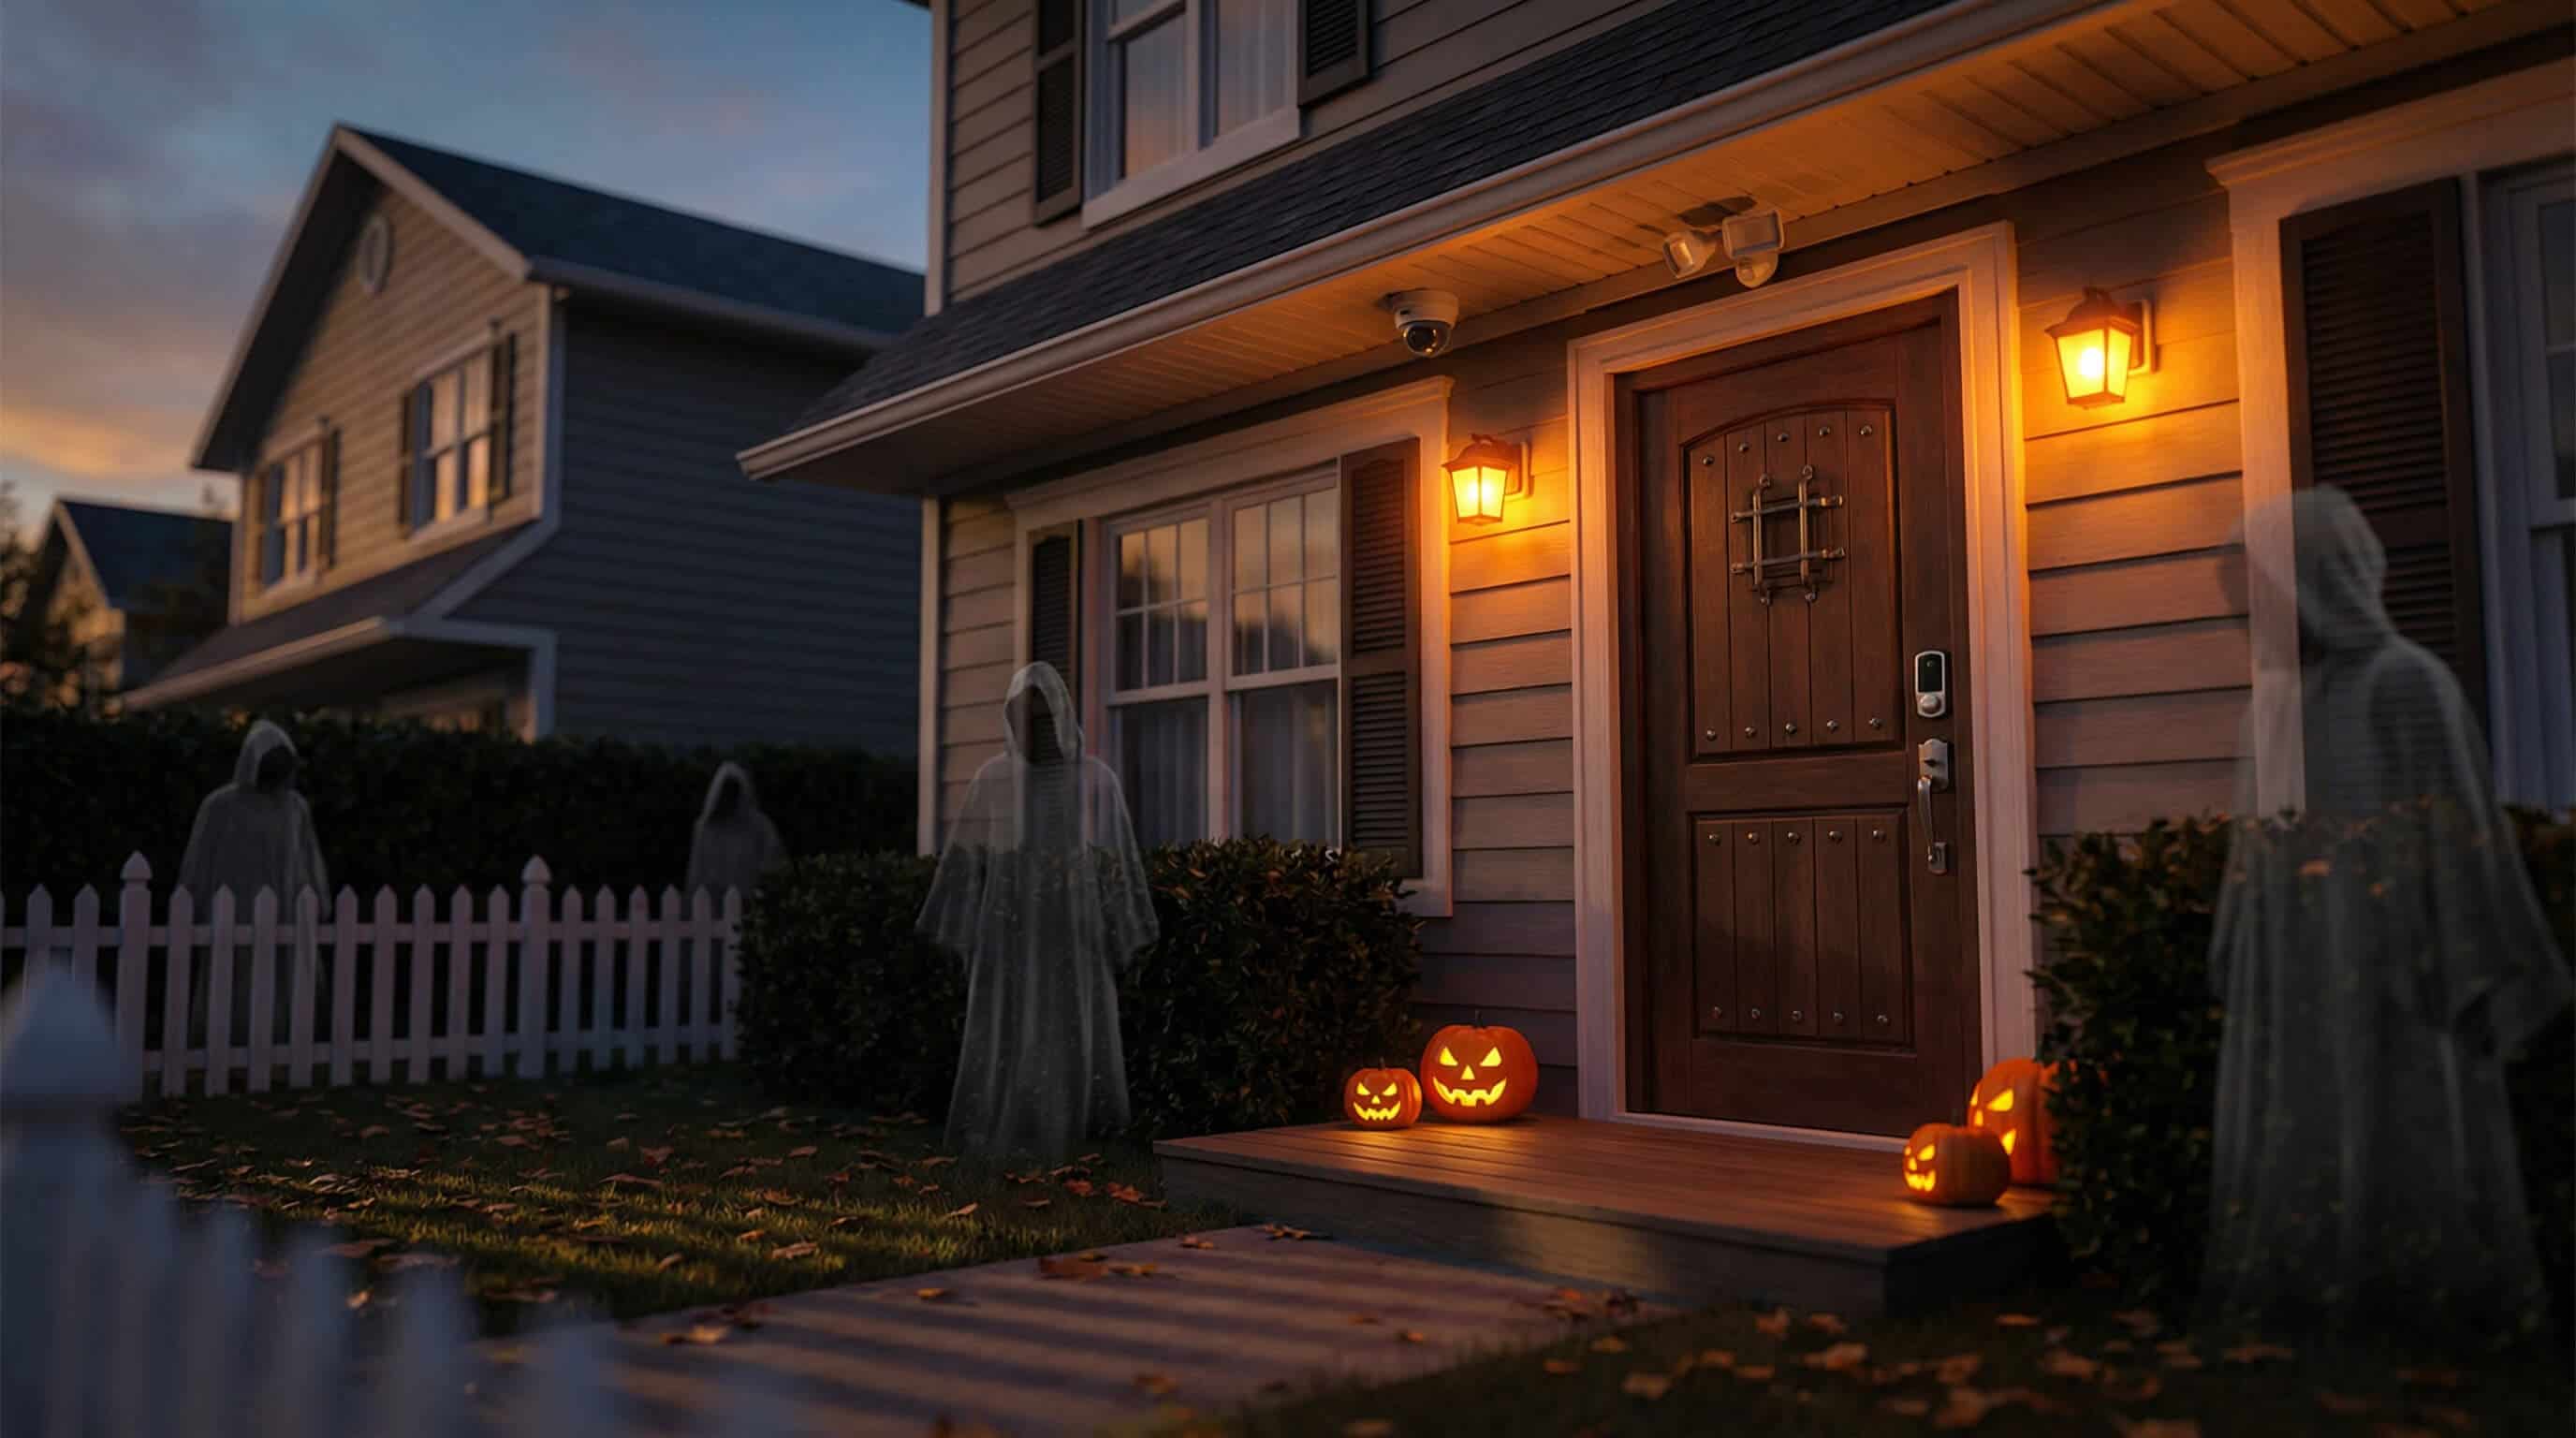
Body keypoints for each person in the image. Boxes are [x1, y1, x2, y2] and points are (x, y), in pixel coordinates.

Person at [2204, 486, 2571, 1344]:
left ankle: (2420, 1305)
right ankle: (2307, 1297)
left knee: (2404, 1117)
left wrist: (2452, 957)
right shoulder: (2273, 709)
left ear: (2319, 582)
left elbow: (2454, 833)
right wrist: (2241, 944)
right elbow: (2257, 849)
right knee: (2306, 1130)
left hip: (2398, 961)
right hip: (2295, 966)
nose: (2250, 621)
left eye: (2262, 595)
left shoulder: (2406, 685)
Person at [915, 662, 1158, 1161]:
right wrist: (960, 929)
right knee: (1012, 1024)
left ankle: (1083, 1130)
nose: (1037, 727)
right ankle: (1012, 1124)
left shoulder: (1095, 782)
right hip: (1009, 932)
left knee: (1070, 1024)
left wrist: (1122, 925)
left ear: (1062, 715)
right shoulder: (994, 780)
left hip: (1075, 930)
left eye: (1044, 715)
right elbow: (966, 861)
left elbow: (1118, 860)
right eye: (1026, 716)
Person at [176, 720, 332, 1045]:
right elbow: (199, 860)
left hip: (286, 918)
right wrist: (190, 907)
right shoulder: (220, 806)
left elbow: (308, 857)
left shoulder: (294, 808)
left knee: (282, 988)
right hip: (230, 919)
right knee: (230, 986)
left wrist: (318, 901)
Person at [685, 762, 785, 903]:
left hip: (751, 903)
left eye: (733, 792)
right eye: (725, 792)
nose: (728, 797)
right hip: (711, 904)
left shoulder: (760, 826)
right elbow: (696, 871)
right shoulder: (704, 828)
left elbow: (773, 862)